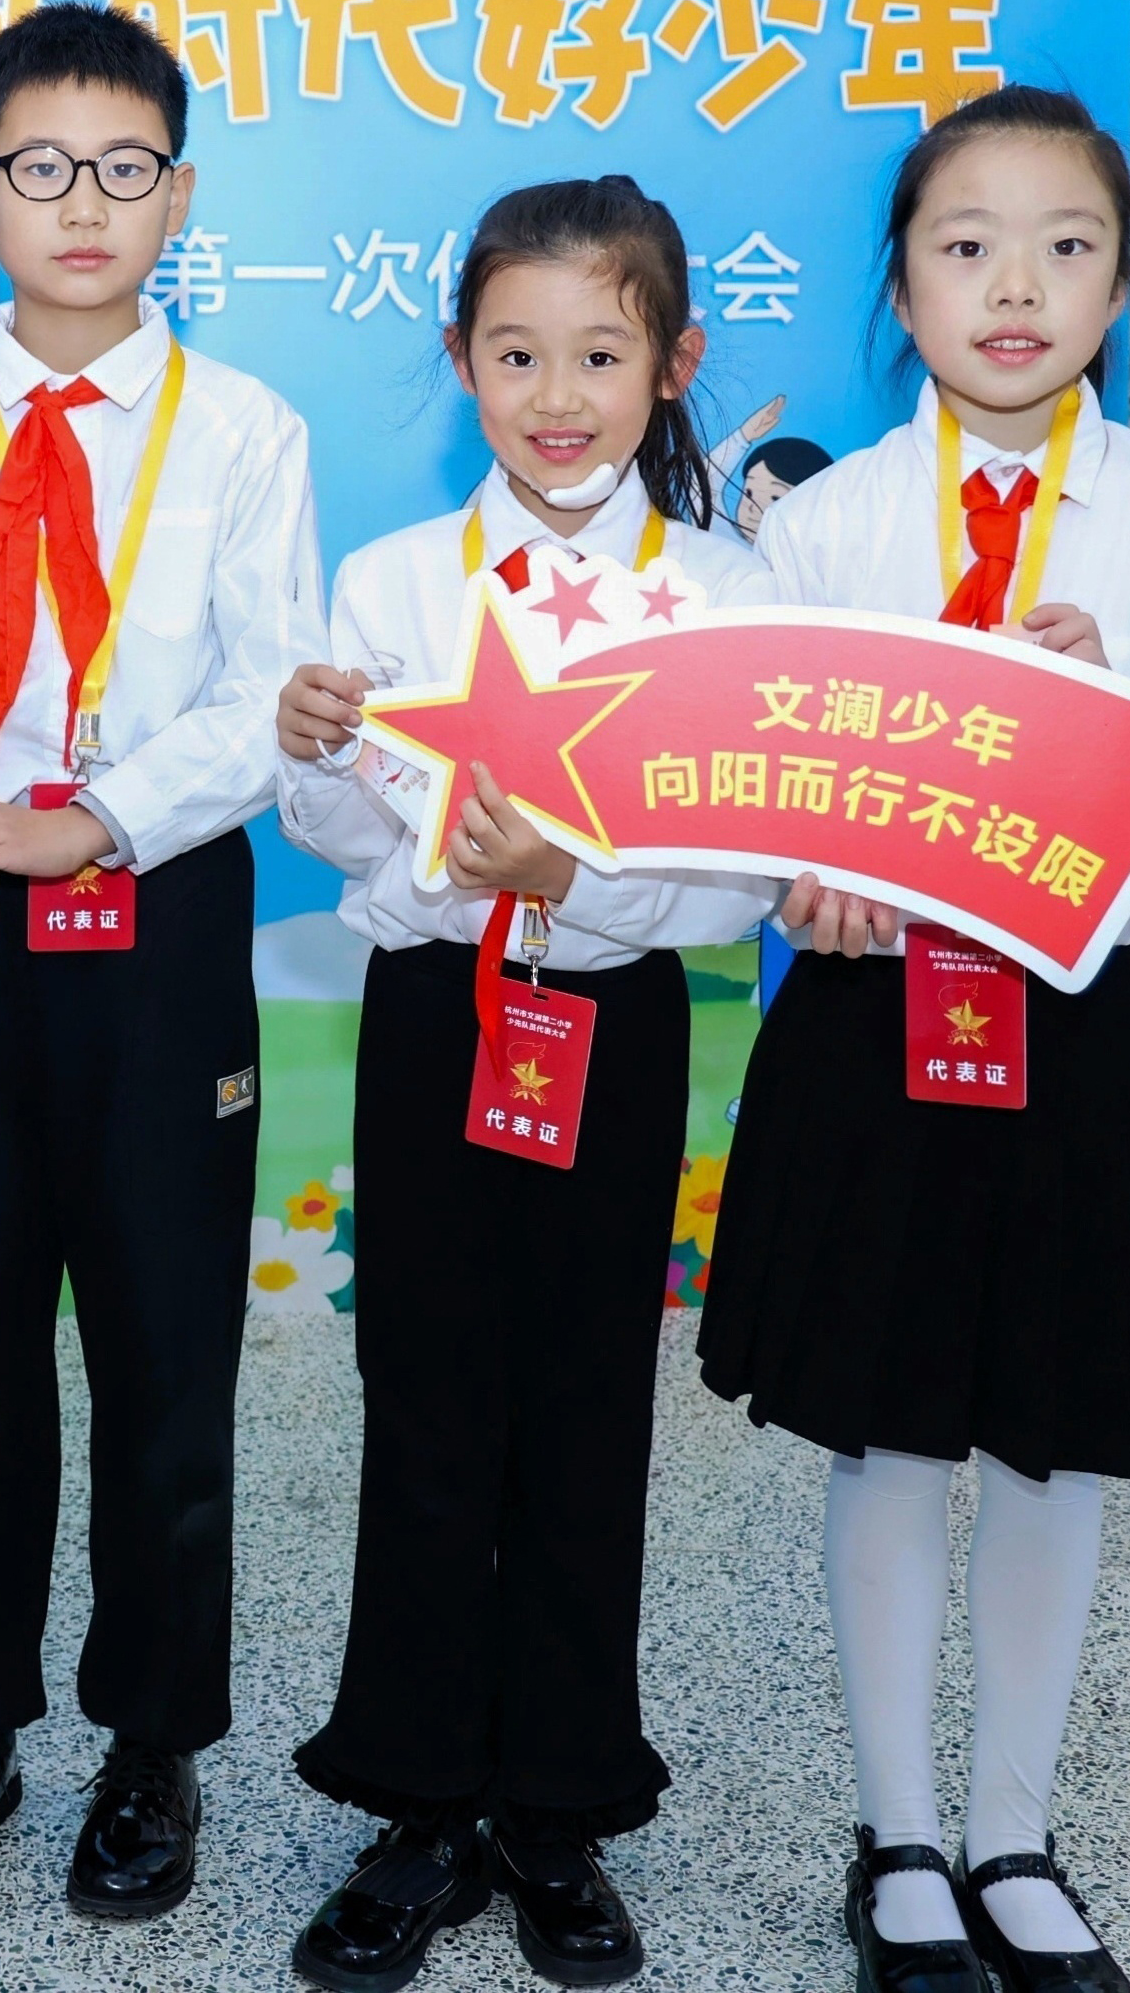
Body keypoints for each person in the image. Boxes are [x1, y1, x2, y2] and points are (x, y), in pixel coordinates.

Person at [697, 85, 1130, 1993]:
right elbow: (752, 789)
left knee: (1054, 1448)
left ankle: (1013, 1837)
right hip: (867, 1023)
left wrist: (1125, 729)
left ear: (1121, 288)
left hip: (1081, 1025)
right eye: (964, 246)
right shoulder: (825, 526)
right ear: (901, 287)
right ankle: (895, 1837)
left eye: (1063, 246)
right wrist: (799, 881)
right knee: (882, 1440)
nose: (1013, 287)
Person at [269, 177, 775, 1993]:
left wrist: (576, 881)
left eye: (598, 355)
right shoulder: (397, 581)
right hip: (432, 1018)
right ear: (460, 359)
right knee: (421, 1399)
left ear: (670, 364)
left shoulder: (723, 595)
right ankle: (414, 1800)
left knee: (583, 1408)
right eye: (513, 355)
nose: (555, 397)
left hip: (610, 1030)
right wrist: (315, 754)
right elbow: (337, 836)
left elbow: (736, 880)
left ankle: (557, 1806)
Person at [0, 1, 322, 1922]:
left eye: (121, 169)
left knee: (163, 1355)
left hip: (158, 921)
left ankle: (151, 1743)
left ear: (175, 199)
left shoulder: (245, 431)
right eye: (37, 167)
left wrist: (96, 814)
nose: (79, 205)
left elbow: (267, 698)